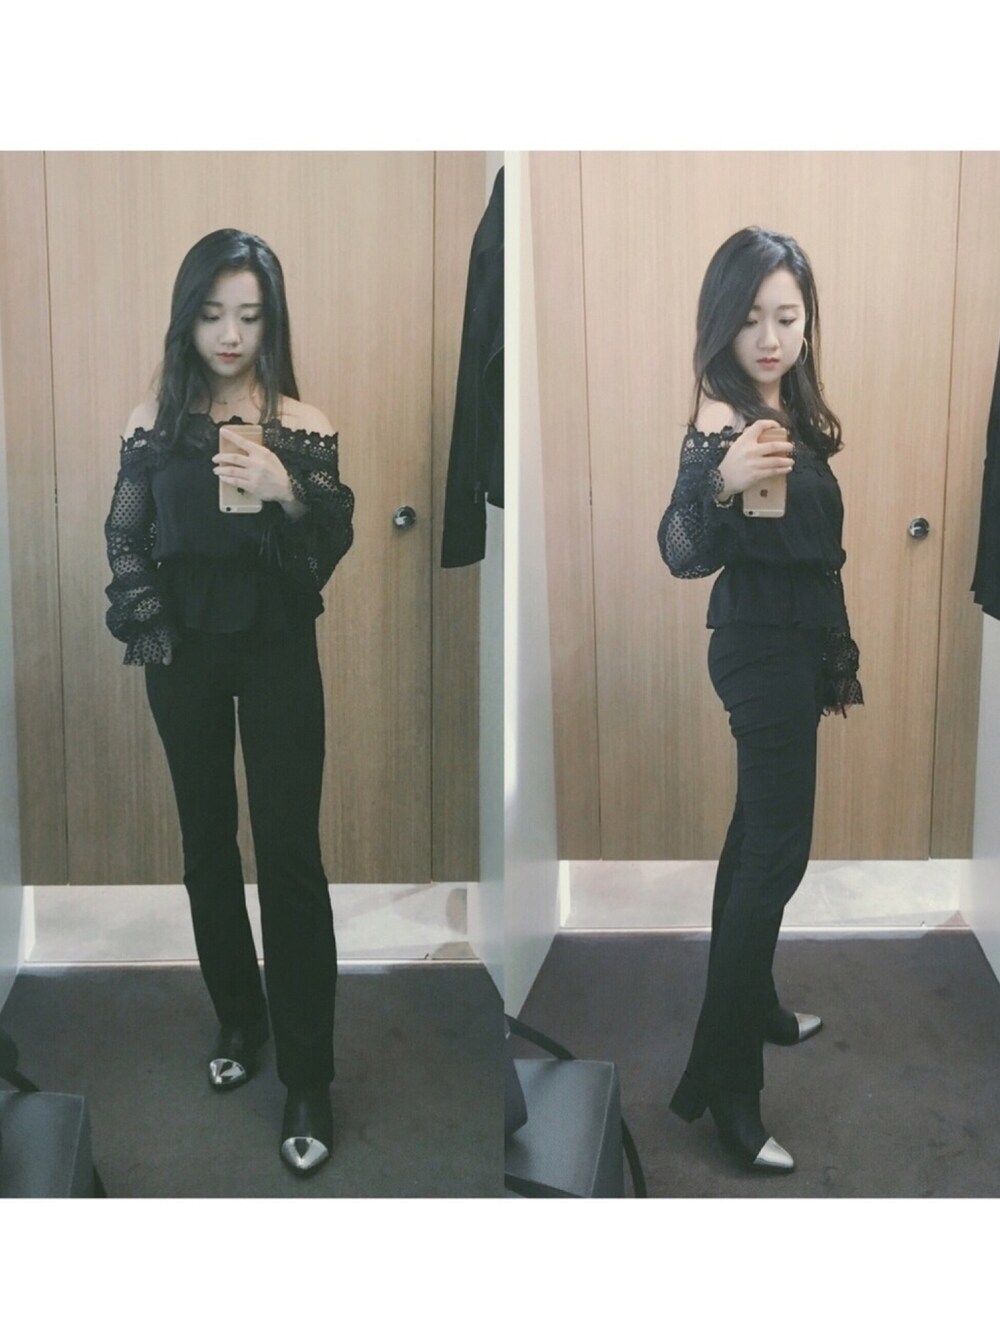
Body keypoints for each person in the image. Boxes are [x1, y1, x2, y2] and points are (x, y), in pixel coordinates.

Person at [104, 228, 355, 1177]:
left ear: (271, 322)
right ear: (188, 318)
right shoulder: (152, 422)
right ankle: (241, 1019)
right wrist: (152, 625)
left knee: (290, 854)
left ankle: (309, 1075)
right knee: (207, 843)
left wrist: (288, 490)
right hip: (185, 651)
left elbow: (323, 552)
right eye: (213, 314)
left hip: (278, 645)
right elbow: (126, 538)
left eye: (249, 316)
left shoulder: (303, 422)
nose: (230, 334)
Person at [657, 226, 862, 1173]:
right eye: (750, 319)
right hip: (758, 650)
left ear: (808, 322)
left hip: (794, 644)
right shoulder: (719, 418)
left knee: (754, 842)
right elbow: (679, 550)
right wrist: (723, 483)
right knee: (777, 854)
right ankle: (726, 1081)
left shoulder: (790, 405)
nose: (771, 337)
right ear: (722, 324)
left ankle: (758, 1002)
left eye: (787, 316)